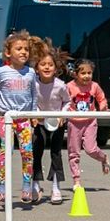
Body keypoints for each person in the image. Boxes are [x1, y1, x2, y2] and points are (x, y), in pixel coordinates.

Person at [0, 30, 37, 205]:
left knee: (27, 153)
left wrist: (34, 113)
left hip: (25, 119)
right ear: (8, 53)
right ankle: (0, 186)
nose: (23, 52)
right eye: (18, 49)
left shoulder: (31, 72)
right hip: (7, 119)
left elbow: (34, 94)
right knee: (6, 153)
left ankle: (27, 186)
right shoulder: (2, 72)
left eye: (26, 49)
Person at [31, 39, 71, 204]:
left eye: (50, 65)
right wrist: (35, 114)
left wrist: (63, 115)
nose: (47, 67)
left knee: (56, 153)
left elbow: (68, 102)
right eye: (43, 64)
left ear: (56, 68)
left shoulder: (60, 85)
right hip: (39, 123)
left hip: (57, 123)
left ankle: (56, 186)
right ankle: (35, 184)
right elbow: (31, 101)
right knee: (36, 152)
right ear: (37, 68)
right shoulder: (33, 84)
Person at [66, 58, 110, 191]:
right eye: (83, 73)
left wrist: (103, 108)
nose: (87, 76)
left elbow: (101, 98)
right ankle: (76, 180)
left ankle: (103, 157)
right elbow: (63, 101)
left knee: (90, 149)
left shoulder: (94, 86)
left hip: (90, 121)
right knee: (74, 152)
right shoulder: (69, 87)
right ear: (76, 74)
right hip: (74, 122)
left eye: (89, 73)